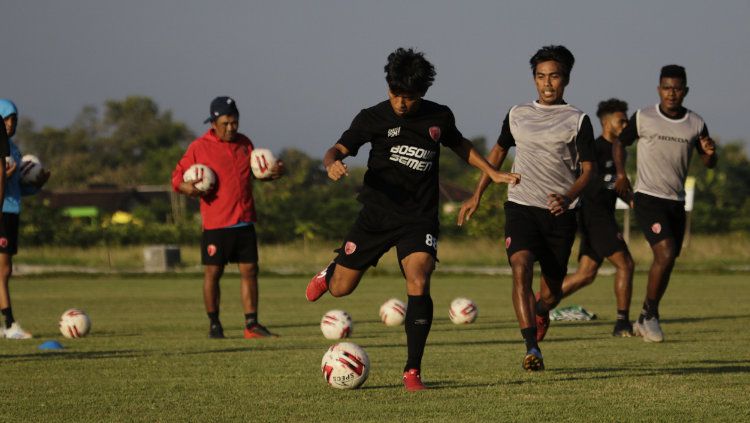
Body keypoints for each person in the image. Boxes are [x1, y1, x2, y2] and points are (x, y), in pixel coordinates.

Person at [305, 47, 520, 391]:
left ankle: (412, 371)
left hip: (418, 218)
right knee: (341, 289)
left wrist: (491, 172)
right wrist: (331, 163)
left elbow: (460, 145)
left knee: (419, 278)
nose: (402, 103)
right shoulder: (371, 117)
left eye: (410, 96)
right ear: (388, 87)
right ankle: (330, 271)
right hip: (375, 216)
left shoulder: (438, 117)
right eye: (396, 94)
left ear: (423, 93)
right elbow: (338, 149)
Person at [458, 45, 595, 371]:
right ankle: (532, 347)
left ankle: (542, 312)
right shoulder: (517, 114)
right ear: (534, 79)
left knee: (550, 294)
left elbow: (588, 171)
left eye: (554, 77)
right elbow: (497, 154)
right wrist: (478, 193)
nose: (547, 84)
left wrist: (567, 196)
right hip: (520, 206)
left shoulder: (578, 120)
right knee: (520, 267)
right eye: (540, 77)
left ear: (566, 80)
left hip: (560, 215)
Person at [613, 65, 717, 342]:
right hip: (648, 197)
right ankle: (651, 316)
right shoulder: (644, 116)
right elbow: (619, 144)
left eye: (677, 88)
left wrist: (709, 154)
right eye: (667, 88)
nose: (672, 93)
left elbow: (709, 162)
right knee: (666, 252)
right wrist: (622, 174)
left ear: (686, 91)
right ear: (659, 89)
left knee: (668, 260)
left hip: (676, 201)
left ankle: (645, 313)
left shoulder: (695, 123)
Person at [171, 96, 285, 339]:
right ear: (213, 123)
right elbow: (177, 180)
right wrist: (186, 188)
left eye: (235, 122)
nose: (231, 127)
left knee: (250, 270)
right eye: (226, 123)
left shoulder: (245, 144)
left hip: (244, 219)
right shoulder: (198, 147)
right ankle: (215, 324)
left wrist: (274, 172)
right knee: (213, 273)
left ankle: (251, 324)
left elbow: (256, 173)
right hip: (216, 223)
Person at [557, 98, 635, 337]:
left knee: (586, 275)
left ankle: (538, 302)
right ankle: (622, 323)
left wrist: (634, 201)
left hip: (602, 217)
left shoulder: (620, 152)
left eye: (626, 121)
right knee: (626, 264)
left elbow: (618, 188)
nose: (625, 125)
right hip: (594, 216)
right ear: (606, 122)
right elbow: (587, 184)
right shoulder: (595, 149)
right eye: (620, 121)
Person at [0, 99, 49, 339]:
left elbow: (18, 188)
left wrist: (36, 185)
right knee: (3, 270)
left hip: (11, 212)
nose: (11, 123)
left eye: (14, 119)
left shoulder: (15, 150)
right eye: (6, 118)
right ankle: (9, 324)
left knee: (4, 270)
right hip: (2, 212)